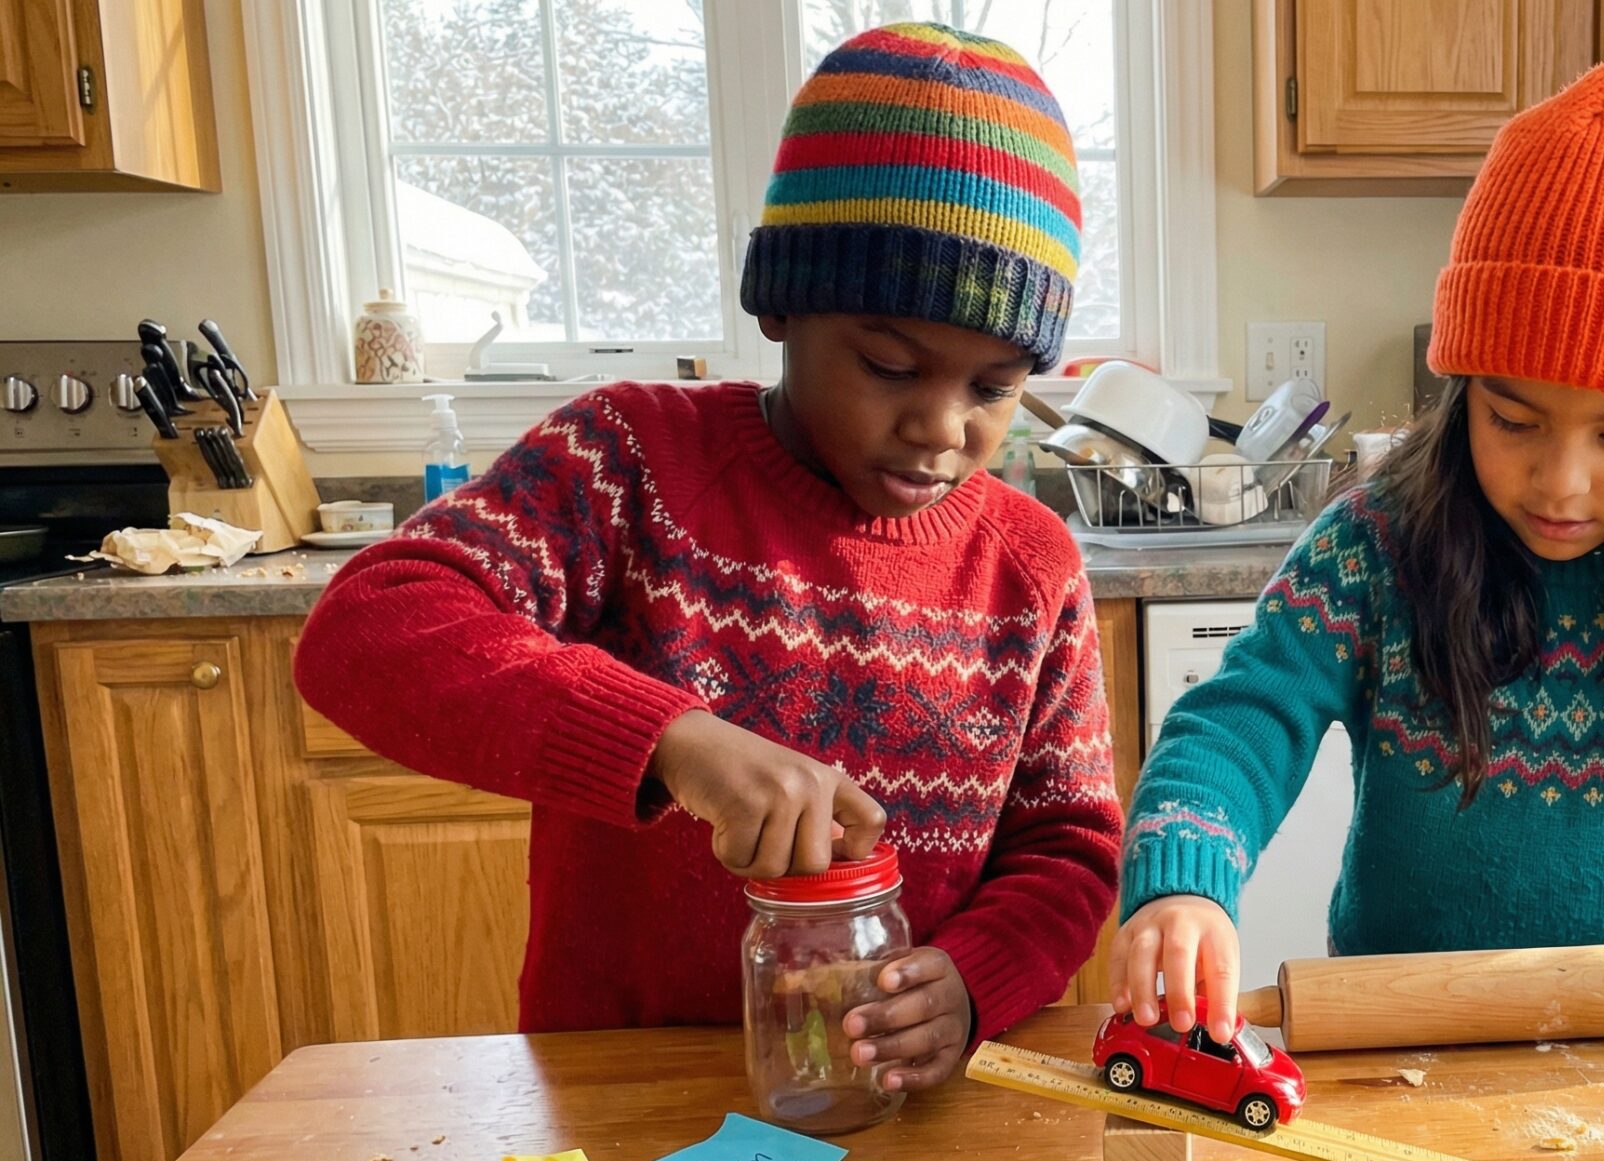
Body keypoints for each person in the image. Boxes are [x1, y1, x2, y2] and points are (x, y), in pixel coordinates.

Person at [295, 23, 1121, 1092]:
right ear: (778, 303)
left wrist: (976, 979)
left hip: (913, 1098)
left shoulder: (1031, 563)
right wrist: (670, 740)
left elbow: (1069, 841)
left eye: (993, 387)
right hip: (628, 1090)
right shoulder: (630, 463)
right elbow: (368, 626)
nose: (939, 425)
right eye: (887, 363)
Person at [1110, 59, 1604, 1045]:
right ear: (1462, 388)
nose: (1560, 482)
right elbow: (1240, 724)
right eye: (1513, 418)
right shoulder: (1376, 543)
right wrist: (1188, 880)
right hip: (1397, 1035)